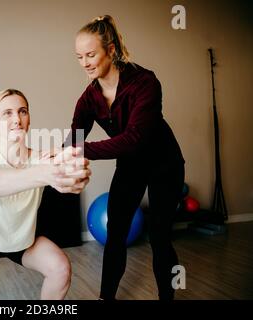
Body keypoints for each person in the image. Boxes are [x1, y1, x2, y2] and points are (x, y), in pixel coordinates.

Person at [65, 15, 185, 300]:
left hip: (164, 165)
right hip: (131, 166)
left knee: (159, 237)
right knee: (115, 235)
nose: (84, 63)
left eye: (91, 54)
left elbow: (134, 140)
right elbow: (74, 140)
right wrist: (56, 157)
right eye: (79, 56)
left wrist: (81, 151)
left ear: (111, 50)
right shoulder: (89, 97)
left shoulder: (144, 82)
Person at [0, 88, 90, 300]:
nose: (16, 119)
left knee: (61, 269)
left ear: (29, 119)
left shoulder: (43, 159)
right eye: (7, 113)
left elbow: (67, 171)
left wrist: (76, 172)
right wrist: (45, 174)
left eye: (22, 111)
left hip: (24, 238)